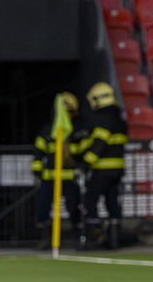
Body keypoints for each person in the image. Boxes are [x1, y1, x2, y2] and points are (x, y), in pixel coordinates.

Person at [31, 92, 86, 248]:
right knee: (42, 206)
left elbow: (83, 153)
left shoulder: (78, 132)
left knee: (74, 206)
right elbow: (38, 153)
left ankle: (78, 234)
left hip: (69, 178)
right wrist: (38, 172)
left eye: (70, 112)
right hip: (49, 178)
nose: (68, 115)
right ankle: (46, 237)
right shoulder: (47, 131)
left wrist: (81, 166)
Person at [81, 82, 128, 250]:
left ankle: (95, 238)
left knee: (90, 200)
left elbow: (99, 144)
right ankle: (114, 240)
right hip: (117, 170)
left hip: (103, 169)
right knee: (112, 203)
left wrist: (86, 162)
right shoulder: (119, 120)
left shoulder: (103, 119)